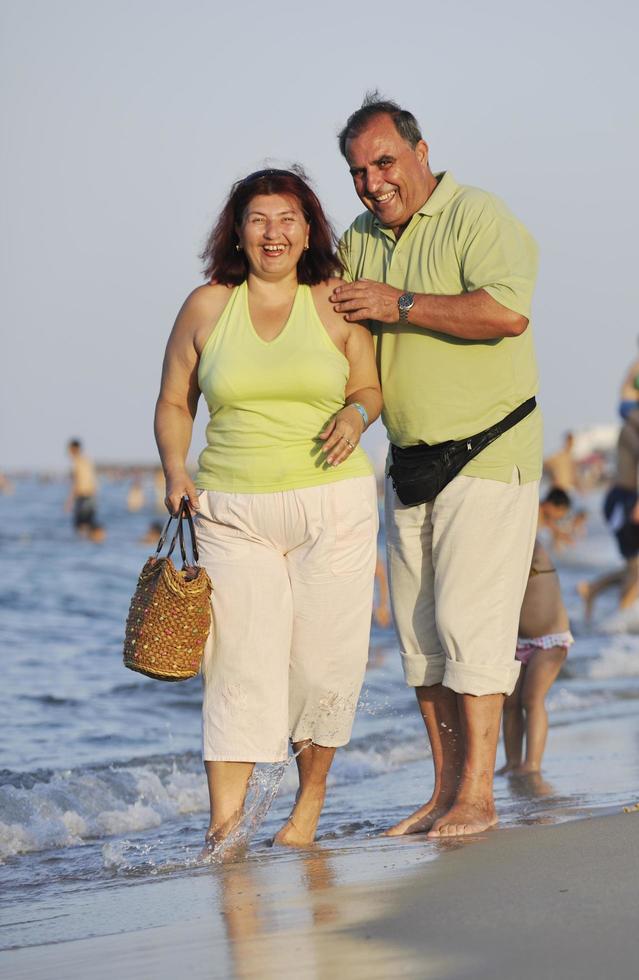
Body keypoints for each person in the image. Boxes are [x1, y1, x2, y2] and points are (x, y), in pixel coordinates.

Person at [154, 167, 382, 851]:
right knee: (238, 673)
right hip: (231, 510)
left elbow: (370, 387)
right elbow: (173, 401)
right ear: (238, 231)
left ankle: (305, 811)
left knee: (322, 670)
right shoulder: (205, 307)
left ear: (308, 229)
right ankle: (224, 834)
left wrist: (354, 413)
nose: (273, 232)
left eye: (286, 219)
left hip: (333, 505)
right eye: (258, 219)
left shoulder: (335, 305)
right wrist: (174, 469)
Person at [333, 93, 541, 838]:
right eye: (357, 171)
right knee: (419, 640)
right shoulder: (358, 235)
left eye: (383, 162)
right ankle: (443, 793)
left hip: (489, 449)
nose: (372, 182)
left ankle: (478, 801)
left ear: (420, 154)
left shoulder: (476, 214)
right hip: (407, 459)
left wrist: (400, 303)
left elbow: (505, 312)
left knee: (466, 627)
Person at [498, 538, 573, 775]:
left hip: (549, 640)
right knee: (510, 704)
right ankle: (512, 761)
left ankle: (532, 764)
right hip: (517, 642)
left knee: (532, 699)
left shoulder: (532, 544)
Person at [578, 412, 639, 622]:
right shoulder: (631, 427)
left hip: (627, 500)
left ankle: (593, 589)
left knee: (634, 566)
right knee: (636, 567)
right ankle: (619, 622)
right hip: (624, 502)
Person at [65, 439, 105, 541]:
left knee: (81, 528)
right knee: (89, 525)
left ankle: (83, 551)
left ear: (74, 449)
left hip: (82, 497)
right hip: (91, 496)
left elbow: (76, 482)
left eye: (69, 449)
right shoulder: (87, 460)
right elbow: (94, 481)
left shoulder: (77, 462)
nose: (68, 452)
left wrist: (69, 501)